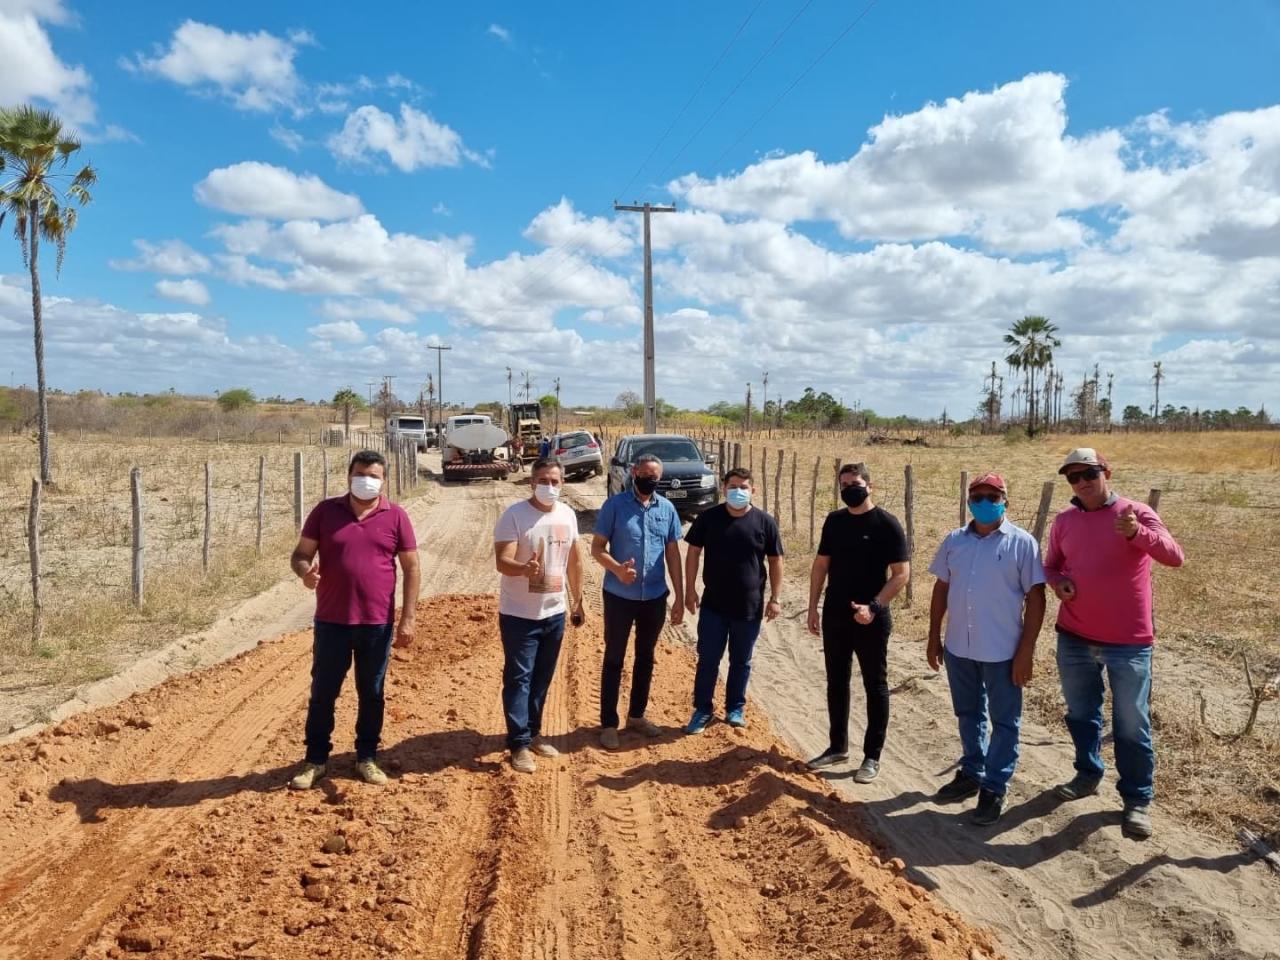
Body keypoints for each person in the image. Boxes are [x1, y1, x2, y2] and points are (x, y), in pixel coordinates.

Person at [1044, 448, 1184, 840]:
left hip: (1129, 642)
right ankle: (1087, 773)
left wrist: (1138, 534)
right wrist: (1059, 583)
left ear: (1106, 472)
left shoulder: (1135, 513)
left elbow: (1175, 557)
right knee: (1081, 713)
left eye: (1088, 473)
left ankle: (1137, 799)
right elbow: (1051, 564)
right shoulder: (1065, 521)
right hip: (1074, 636)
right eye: (1073, 477)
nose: (1082, 482)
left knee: (1131, 722)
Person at [287, 450, 420, 789]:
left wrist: (408, 618)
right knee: (323, 693)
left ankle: (367, 758)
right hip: (332, 621)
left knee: (371, 693)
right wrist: (305, 573)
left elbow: (411, 568)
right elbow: (301, 554)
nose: (367, 480)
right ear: (349, 475)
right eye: (361, 473)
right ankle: (315, 760)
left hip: (377, 624)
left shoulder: (397, 516)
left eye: (374, 475)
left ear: (384, 481)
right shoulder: (325, 511)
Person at [926, 473, 1046, 825]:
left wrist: (1027, 650)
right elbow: (941, 589)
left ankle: (994, 787)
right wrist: (935, 635)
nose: (983, 501)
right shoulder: (954, 541)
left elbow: (1036, 599)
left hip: (1003, 650)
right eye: (976, 495)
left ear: (1005, 501)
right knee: (968, 712)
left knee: (1005, 721)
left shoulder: (1022, 543)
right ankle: (972, 771)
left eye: (991, 495)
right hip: (959, 647)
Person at [806, 462, 910, 783]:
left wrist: (875, 606)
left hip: (872, 619)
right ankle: (837, 746)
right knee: (836, 681)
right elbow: (821, 565)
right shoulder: (834, 522)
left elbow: (901, 574)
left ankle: (871, 757)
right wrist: (813, 607)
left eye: (855, 482)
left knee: (874, 685)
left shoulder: (887, 524)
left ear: (869, 485)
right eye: (844, 483)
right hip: (836, 613)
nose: (849, 488)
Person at [493, 457, 585, 773]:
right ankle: (518, 743)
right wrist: (524, 568)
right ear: (532, 482)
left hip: (554, 613)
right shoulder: (514, 516)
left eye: (555, 481)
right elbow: (502, 562)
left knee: (542, 679)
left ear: (563, 483)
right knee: (519, 678)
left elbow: (574, 561)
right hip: (519, 615)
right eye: (543, 480)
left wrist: (577, 601)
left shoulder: (568, 515)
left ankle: (533, 732)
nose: (549, 486)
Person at [591, 453, 684, 748]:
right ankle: (608, 723)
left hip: (654, 597)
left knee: (646, 657)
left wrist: (680, 596)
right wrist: (617, 569)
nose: (650, 480)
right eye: (645, 474)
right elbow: (597, 548)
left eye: (655, 477)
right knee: (614, 658)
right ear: (634, 472)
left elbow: (672, 554)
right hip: (620, 597)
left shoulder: (667, 509)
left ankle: (637, 716)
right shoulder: (614, 506)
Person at [683, 468, 784, 733]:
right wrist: (690, 590)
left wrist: (775, 598)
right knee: (708, 659)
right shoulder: (709, 518)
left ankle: (735, 708)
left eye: (744, 487)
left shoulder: (765, 523)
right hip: (714, 605)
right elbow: (693, 552)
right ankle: (702, 709)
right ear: (724, 489)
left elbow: (775, 561)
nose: (738, 491)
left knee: (741, 661)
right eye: (733, 486)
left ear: (754, 490)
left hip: (748, 608)